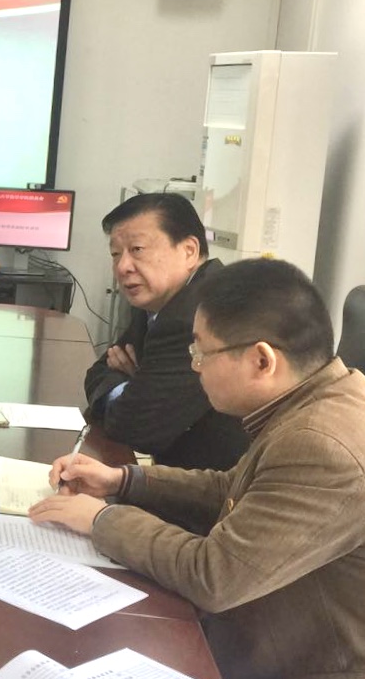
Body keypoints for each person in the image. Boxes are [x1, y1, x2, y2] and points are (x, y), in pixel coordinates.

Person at [32, 259, 365, 679]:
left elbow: (213, 576)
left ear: (262, 359)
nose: (193, 366)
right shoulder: (324, 399)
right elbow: (234, 489)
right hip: (291, 657)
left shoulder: (326, 445)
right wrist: (123, 480)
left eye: (202, 352)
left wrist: (100, 520)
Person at [84, 192, 248, 470]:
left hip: (215, 486)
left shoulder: (196, 317)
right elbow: (98, 372)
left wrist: (137, 386)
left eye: (137, 249)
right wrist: (137, 387)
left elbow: (134, 425)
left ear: (189, 251)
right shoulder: (162, 300)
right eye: (115, 254)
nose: (122, 267)